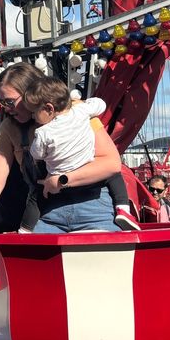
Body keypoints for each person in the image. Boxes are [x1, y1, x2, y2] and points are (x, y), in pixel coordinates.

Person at [0, 63, 124, 239]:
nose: (6, 108)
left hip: (92, 204)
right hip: (48, 211)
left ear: (32, 93)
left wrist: (60, 180)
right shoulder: (9, 127)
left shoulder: (73, 111)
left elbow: (111, 163)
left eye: (10, 102)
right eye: (2, 102)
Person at [21, 78, 135, 232]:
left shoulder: (43, 132)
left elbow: (37, 154)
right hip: (88, 179)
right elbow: (100, 105)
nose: (33, 116)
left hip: (60, 190)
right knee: (114, 176)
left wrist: (30, 148)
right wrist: (83, 102)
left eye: (34, 112)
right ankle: (123, 208)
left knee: (36, 195)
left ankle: (25, 229)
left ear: (49, 108)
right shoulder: (82, 112)